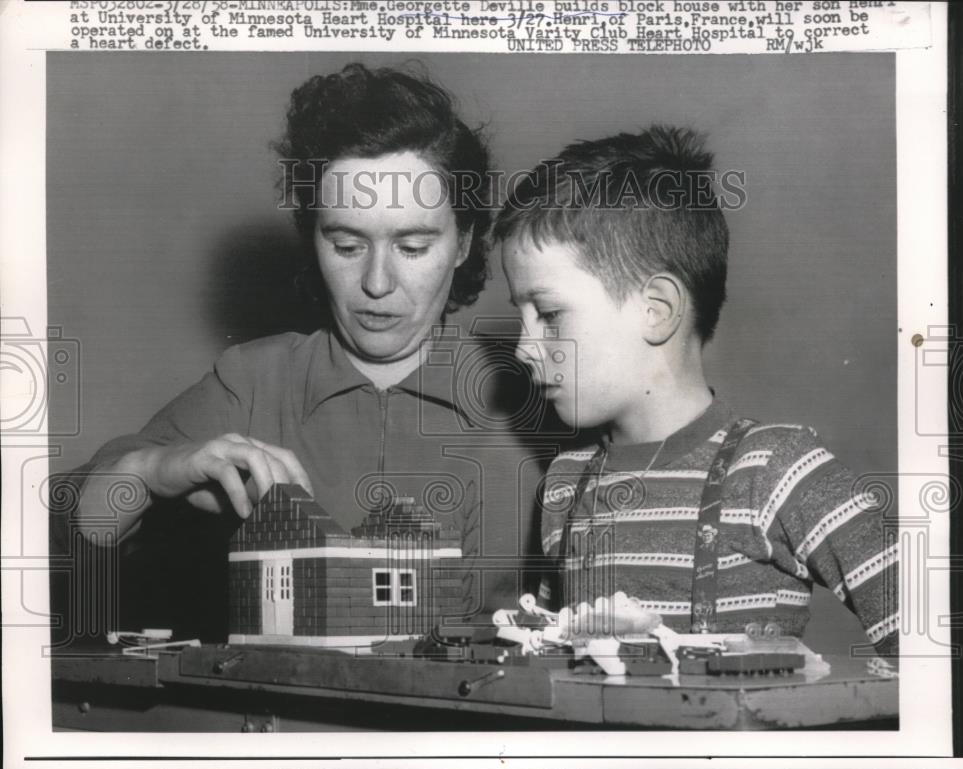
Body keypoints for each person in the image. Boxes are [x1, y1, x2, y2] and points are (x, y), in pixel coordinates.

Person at [54, 63, 540, 643]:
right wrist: (152, 469)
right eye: (346, 244)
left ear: (462, 242)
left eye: (412, 245)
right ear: (311, 238)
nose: (377, 283)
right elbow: (62, 534)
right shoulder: (253, 381)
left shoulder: (539, 386)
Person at [494, 125, 899, 655]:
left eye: (547, 314)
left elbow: (942, 644)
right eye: (521, 317)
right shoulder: (564, 486)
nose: (524, 348)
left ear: (656, 310)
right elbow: (547, 658)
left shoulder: (776, 471)